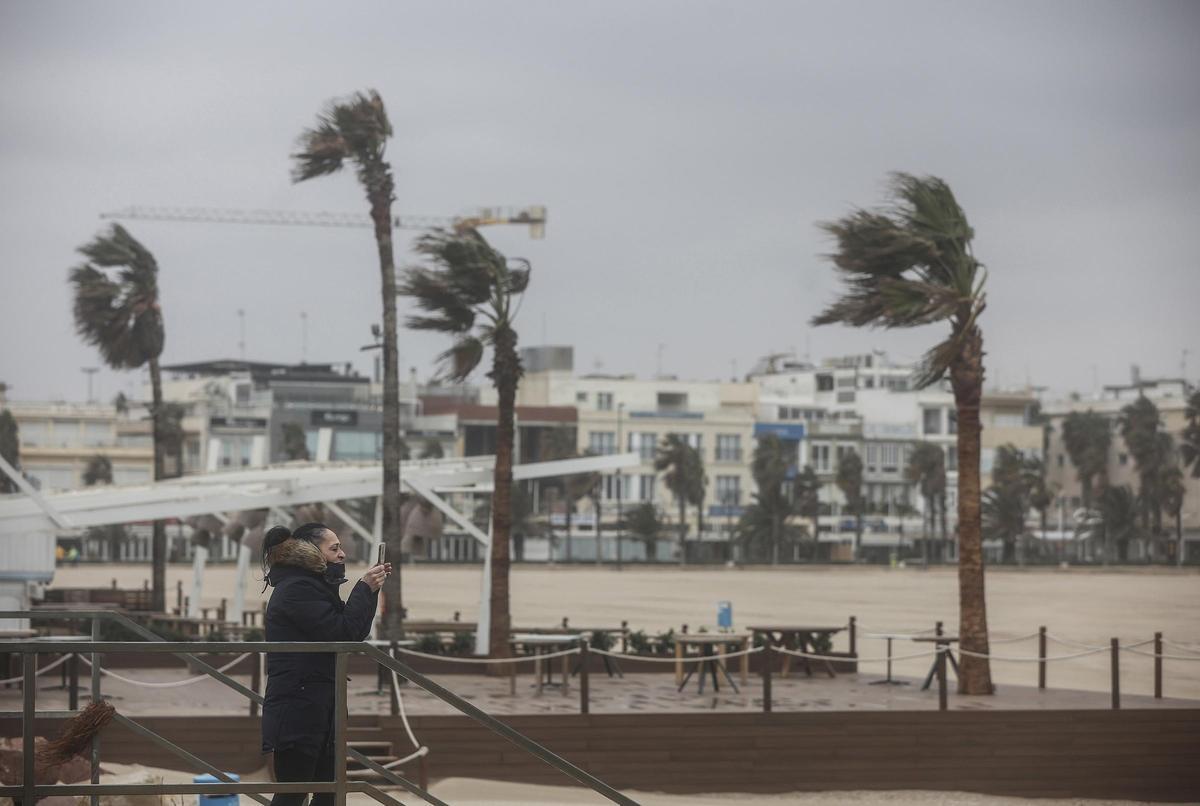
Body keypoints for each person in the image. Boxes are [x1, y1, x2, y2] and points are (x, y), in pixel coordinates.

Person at [260, 522, 390, 806]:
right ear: (311, 551)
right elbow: (341, 633)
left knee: (328, 792)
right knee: (294, 793)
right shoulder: (298, 589)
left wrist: (368, 590)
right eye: (334, 548)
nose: (342, 554)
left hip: (318, 706)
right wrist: (364, 589)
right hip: (299, 709)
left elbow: (352, 632)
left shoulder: (314, 586)